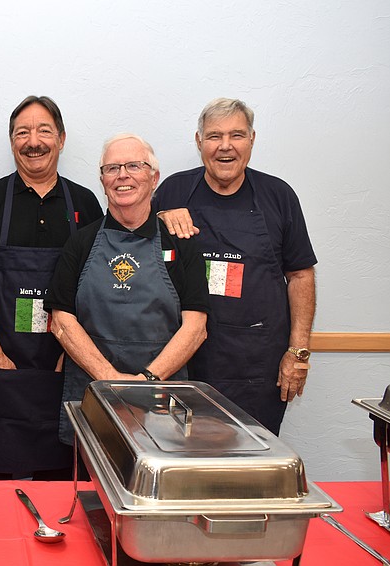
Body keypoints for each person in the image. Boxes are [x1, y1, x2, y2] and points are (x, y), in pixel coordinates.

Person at [0, 96, 103, 479]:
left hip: (61, 364)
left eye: (44, 131)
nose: (33, 141)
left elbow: (92, 285)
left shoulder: (84, 203)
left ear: (62, 139)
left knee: (59, 483)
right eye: (22, 132)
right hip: (0, 362)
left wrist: (72, 354)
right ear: (12, 141)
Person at [152, 98, 317, 434]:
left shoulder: (278, 195)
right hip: (186, 364)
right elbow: (137, 248)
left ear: (252, 140)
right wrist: (160, 217)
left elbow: (300, 275)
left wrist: (298, 353)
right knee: (187, 468)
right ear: (199, 142)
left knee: (250, 469)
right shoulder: (173, 190)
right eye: (214, 136)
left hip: (257, 368)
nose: (225, 147)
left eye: (236, 135)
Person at [45, 133, 209, 445]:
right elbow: (63, 323)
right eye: (112, 168)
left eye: (134, 165)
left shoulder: (182, 246)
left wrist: (145, 381)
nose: (123, 175)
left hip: (161, 399)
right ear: (103, 179)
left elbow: (196, 327)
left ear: (154, 177)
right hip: (94, 394)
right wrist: (109, 379)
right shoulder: (80, 243)